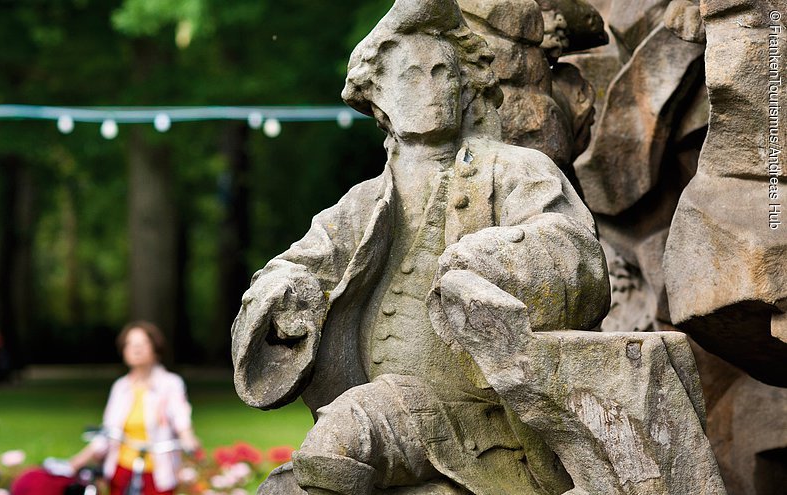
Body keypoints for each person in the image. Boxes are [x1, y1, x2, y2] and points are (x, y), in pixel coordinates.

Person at [231, 0, 609, 493]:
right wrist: (288, 296)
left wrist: (493, 258)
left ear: (464, 86)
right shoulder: (363, 202)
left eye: (443, 73)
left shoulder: (517, 169)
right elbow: (293, 266)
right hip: (387, 408)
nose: (433, 88)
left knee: (340, 439)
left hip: (486, 421)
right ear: (380, 97)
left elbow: (576, 255)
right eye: (413, 75)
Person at [69, 321, 199, 495]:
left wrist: (187, 437)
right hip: (122, 469)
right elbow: (108, 430)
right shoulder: (120, 387)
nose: (136, 349)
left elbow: (180, 416)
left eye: (143, 343)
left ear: (155, 348)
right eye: (130, 344)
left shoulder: (170, 384)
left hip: (157, 472)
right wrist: (77, 461)